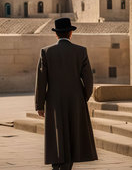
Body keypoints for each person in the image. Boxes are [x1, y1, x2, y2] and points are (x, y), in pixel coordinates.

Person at [35, 17, 98, 170]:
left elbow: (41, 81)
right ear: (70, 33)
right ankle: (66, 166)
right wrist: (83, 97)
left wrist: (39, 105)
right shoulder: (81, 51)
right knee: (73, 134)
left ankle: (57, 164)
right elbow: (88, 80)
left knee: (57, 134)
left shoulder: (46, 52)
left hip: (54, 101)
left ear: (56, 35)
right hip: (76, 100)